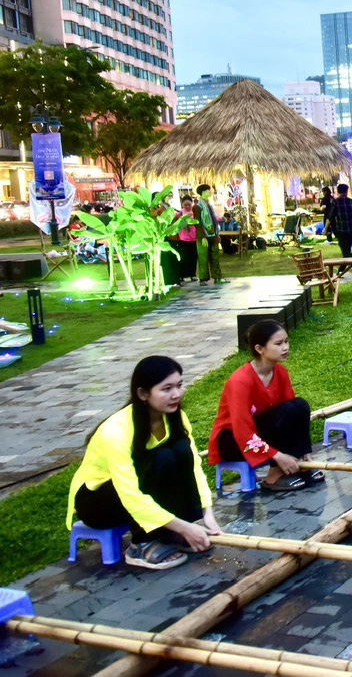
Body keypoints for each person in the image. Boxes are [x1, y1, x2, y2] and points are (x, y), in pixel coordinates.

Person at [68, 356, 220, 571]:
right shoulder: (117, 431)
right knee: (159, 460)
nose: (176, 394)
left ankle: (170, 532)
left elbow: (194, 467)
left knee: (177, 452)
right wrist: (185, 527)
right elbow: (128, 492)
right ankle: (141, 545)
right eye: (166, 388)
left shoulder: (176, 418)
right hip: (98, 503)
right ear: (142, 394)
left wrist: (207, 514)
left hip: (132, 492)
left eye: (179, 385)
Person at [208, 321, 318, 492]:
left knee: (298, 406)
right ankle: (274, 475)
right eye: (279, 343)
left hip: (263, 432)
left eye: (287, 341)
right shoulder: (240, 381)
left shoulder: (281, 373)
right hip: (233, 440)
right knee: (286, 412)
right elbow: (242, 431)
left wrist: (305, 453)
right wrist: (278, 456)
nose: (286, 347)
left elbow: (292, 416)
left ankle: (300, 464)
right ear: (260, 349)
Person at [193, 184, 225, 285]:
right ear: (203, 192)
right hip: (203, 236)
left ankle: (217, 277)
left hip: (212, 235)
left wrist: (217, 234)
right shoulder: (197, 207)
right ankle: (203, 278)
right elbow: (197, 223)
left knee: (215, 256)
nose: (210, 192)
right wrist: (202, 237)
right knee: (203, 257)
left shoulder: (209, 205)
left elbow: (213, 221)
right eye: (208, 190)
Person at [329, 183, 352, 273]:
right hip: (351, 230)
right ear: (347, 191)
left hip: (340, 230)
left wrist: (326, 229)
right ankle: (341, 270)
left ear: (338, 191)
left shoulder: (335, 202)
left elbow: (330, 217)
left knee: (346, 252)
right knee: (346, 251)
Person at [175, 196, 199, 282]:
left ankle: (193, 274)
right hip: (183, 239)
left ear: (192, 204)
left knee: (193, 257)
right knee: (183, 258)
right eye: (185, 205)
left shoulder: (194, 213)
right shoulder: (179, 214)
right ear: (182, 204)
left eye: (189, 204)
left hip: (194, 239)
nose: (187, 206)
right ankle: (182, 275)